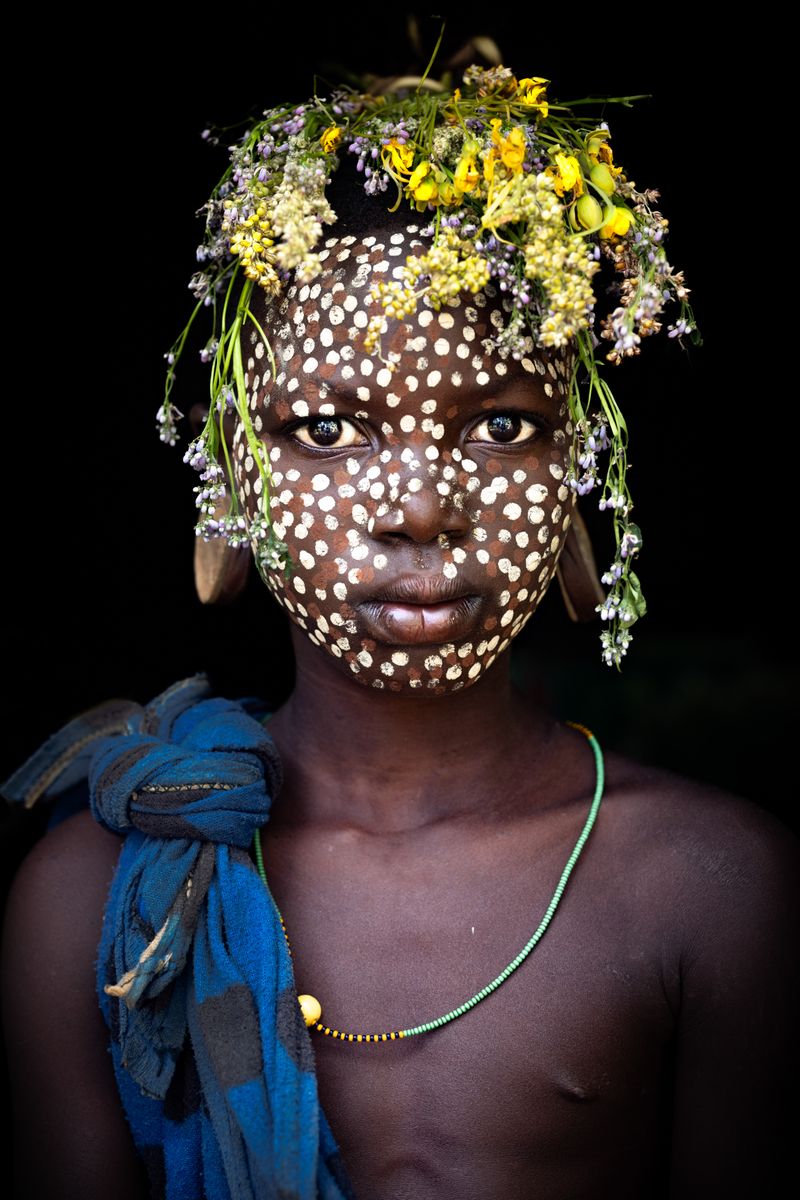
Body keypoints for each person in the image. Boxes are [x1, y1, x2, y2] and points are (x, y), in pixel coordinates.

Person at [2, 58, 797, 1200]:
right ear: (229, 483)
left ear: (574, 473)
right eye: (325, 429)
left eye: (501, 426)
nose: (420, 506)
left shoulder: (707, 888)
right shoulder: (91, 894)